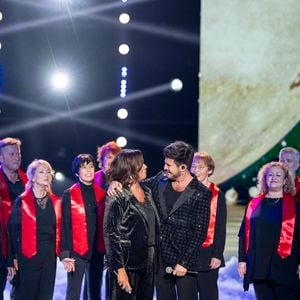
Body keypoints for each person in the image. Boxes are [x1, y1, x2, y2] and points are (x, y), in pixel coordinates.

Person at [108, 141, 211, 300]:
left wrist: (184, 262)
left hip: (183, 262)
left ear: (183, 167)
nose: (164, 167)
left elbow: (200, 231)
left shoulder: (201, 193)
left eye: (169, 165)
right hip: (159, 261)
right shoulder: (160, 180)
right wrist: (116, 182)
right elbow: (135, 183)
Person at [238, 161, 300, 300]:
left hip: (287, 265)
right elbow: (243, 234)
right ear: (264, 179)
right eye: (270, 175)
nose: (274, 177)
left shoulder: (295, 205)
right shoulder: (254, 204)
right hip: (259, 265)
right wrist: (242, 260)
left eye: (279, 175)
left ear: (285, 181)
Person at [104, 149, 159, 300]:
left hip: (149, 262)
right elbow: (110, 234)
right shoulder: (118, 195)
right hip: (127, 264)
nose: (146, 166)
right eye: (142, 164)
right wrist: (119, 269)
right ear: (132, 168)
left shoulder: (147, 190)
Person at [7, 159, 61, 300]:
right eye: (41, 172)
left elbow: (63, 230)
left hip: (49, 255)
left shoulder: (56, 202)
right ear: (32, 177)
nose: (46, 175)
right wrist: (11, 259)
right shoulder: (22, 202)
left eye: (48, 172)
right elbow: (11, 232)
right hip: (27, 255)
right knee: (26, 295)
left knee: (45, 295)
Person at [60, 154, 106, 300]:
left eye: (91, 166)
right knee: (73, 293)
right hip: (76, 253)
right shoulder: (69, 194)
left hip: (97, 252)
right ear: (76, 172)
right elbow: (65, 226)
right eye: (84, 167)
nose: (88, 170)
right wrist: (66, 254)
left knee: (95, 293)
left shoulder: (102, 194)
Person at [190, 151, 226, 300]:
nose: (196, 170)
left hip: (208, 253)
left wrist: (217, 254)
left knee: (208, 294)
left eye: (201, 167)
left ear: (209, 170)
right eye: (194, 166)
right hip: (188, 254)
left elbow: (220, 226)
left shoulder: (217, 194)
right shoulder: (185, 191)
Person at [0, 137, 27, 300]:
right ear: (1, 158)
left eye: (18, 153)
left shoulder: (28, 182)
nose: (17, 157)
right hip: (1, 247)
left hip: (21, 248)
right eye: (11, 154)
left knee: (23, 293)